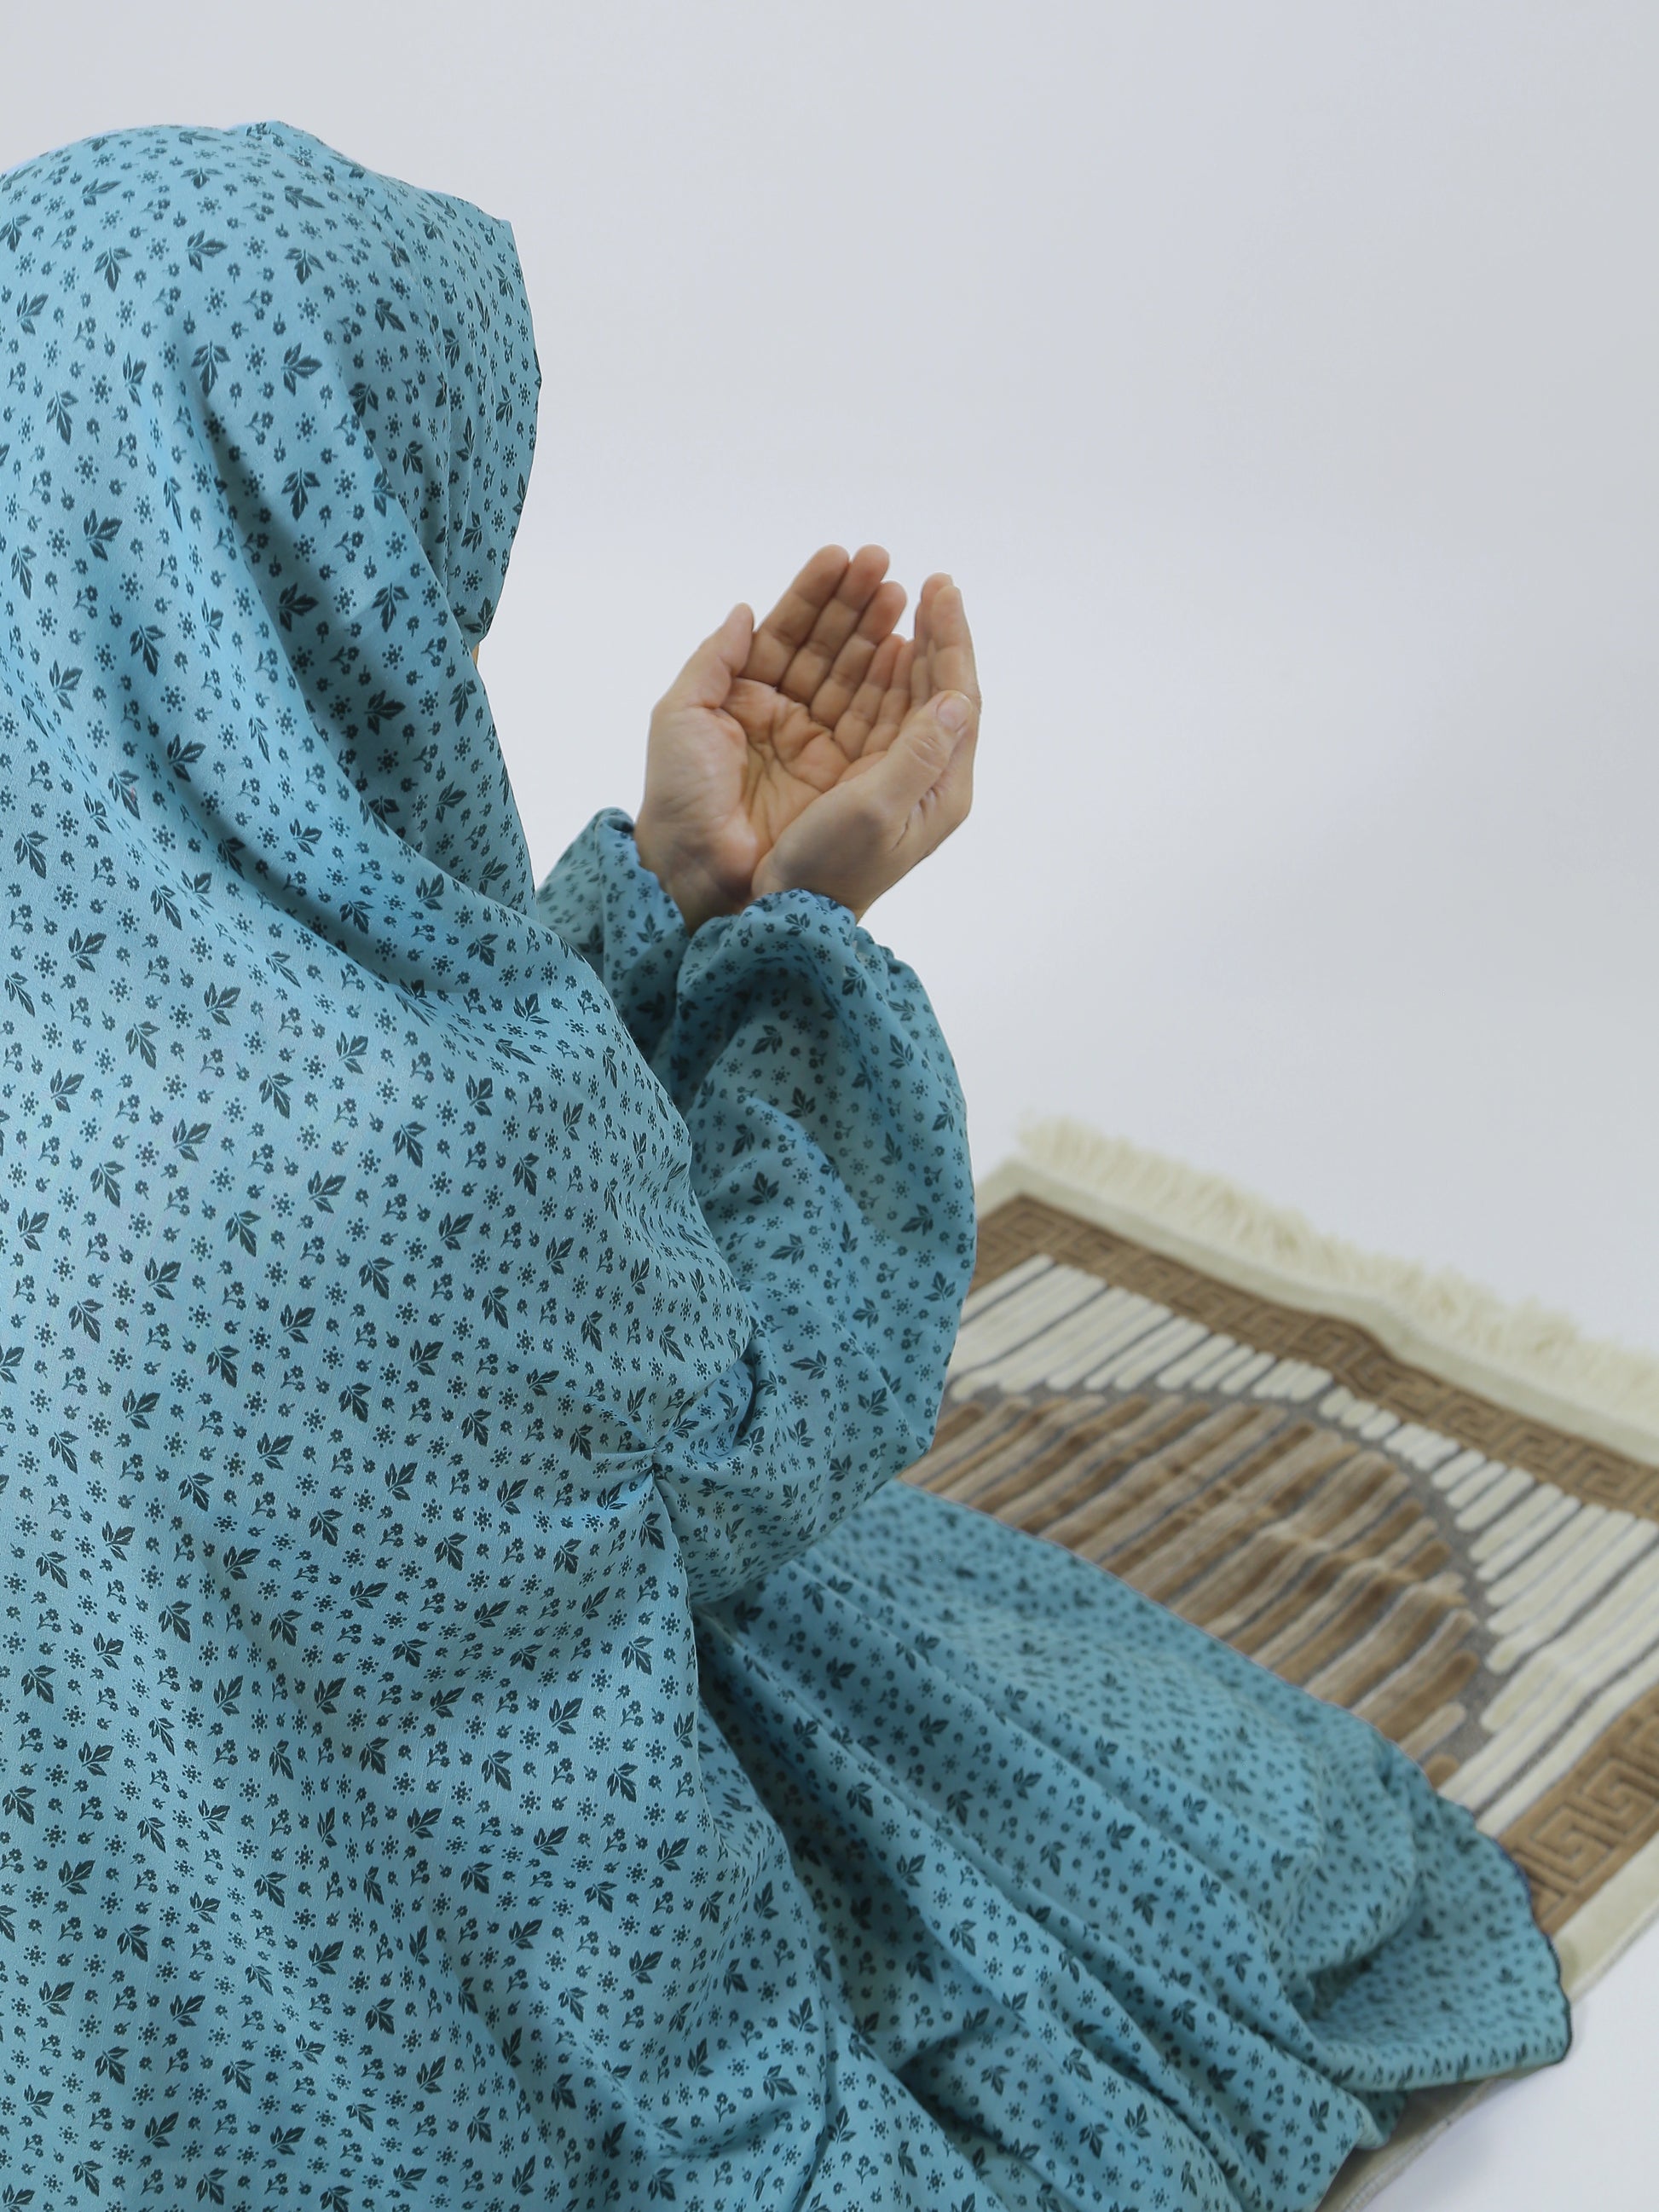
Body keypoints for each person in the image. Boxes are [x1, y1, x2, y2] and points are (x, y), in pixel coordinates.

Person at [0, 118, 1569, 2212]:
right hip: (480, 2015)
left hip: (91, 1976)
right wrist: (793, 949)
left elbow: (367, 1286)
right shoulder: (429, 1128)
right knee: (1234, 1842)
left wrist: (662, 888)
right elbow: (743, 1430)